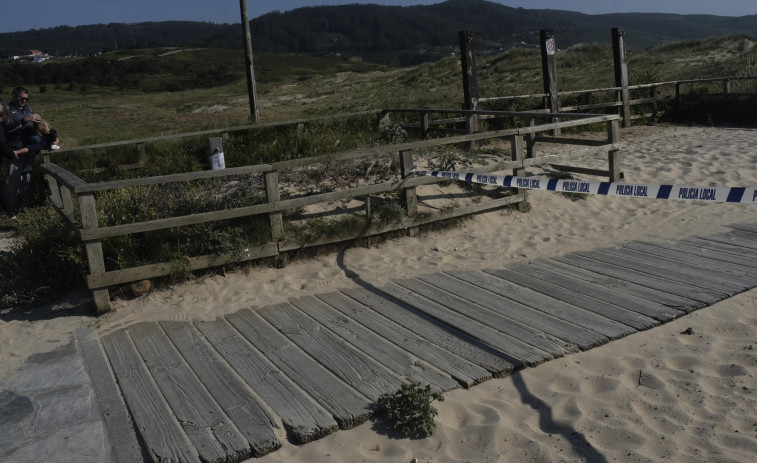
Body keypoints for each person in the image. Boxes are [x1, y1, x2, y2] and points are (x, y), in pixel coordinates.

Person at [1, 102, 37, 218]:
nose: (24, 101)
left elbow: (33, 132)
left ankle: (21, 207)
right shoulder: (8, 110)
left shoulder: (28, 109)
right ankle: (11, 210)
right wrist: (24, 120)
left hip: (27, 152)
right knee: (13, 181)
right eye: (21, 98)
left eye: (26, 99)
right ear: (15, 96)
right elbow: (7, 130)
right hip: (14, 151)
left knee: (25, 180)